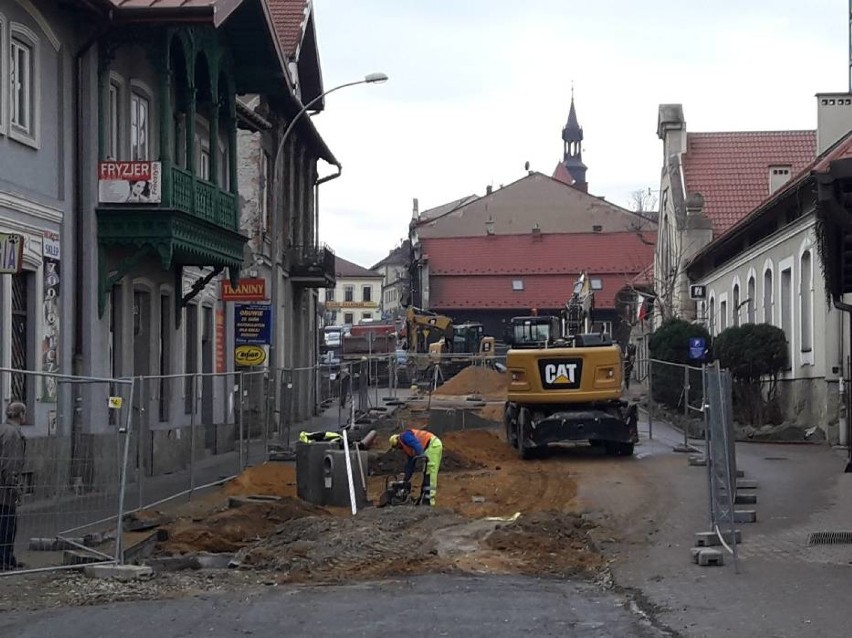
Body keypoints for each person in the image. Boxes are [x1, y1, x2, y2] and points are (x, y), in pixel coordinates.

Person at [0, 402, 26, 571]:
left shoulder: (3, 429)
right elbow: (10, 464)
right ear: (21, 415)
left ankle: (7, 558)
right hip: (4, 490)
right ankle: (4, 559)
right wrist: (14, 488)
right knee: (8, 526)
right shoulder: (13, 434)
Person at [389, 428, 443, 506]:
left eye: (398, 447)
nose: (399, 449)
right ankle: (424, 498)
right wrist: (406, 479)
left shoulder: (405, 436)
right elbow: (410, 465)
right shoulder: (407, 448)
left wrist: (421, 454)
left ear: (398, 442)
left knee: (430, 474)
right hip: (428, 448)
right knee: (426, 473)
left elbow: (415, 443)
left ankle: (430, 502)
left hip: (432, 445)